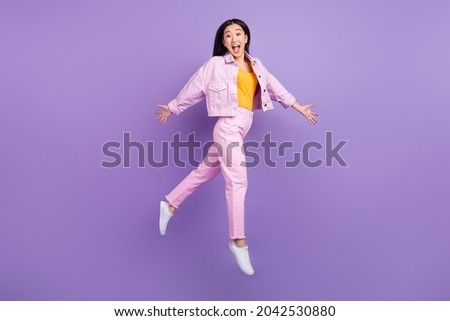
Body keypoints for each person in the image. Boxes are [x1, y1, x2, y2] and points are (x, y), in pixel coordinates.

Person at [156, 18, 318, 276]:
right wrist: (173, 107)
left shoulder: (256, 65)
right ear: (223, 41)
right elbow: (195, 87)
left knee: (203, 173)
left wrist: (298, 107)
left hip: (240, 129)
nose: (234, 39)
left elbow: (274, 87)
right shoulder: (216, 65)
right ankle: (238, 240)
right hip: (227, 127)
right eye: (228, 35)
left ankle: (170, 204)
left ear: (245, 37)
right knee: (238, 181)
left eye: (238, 34)